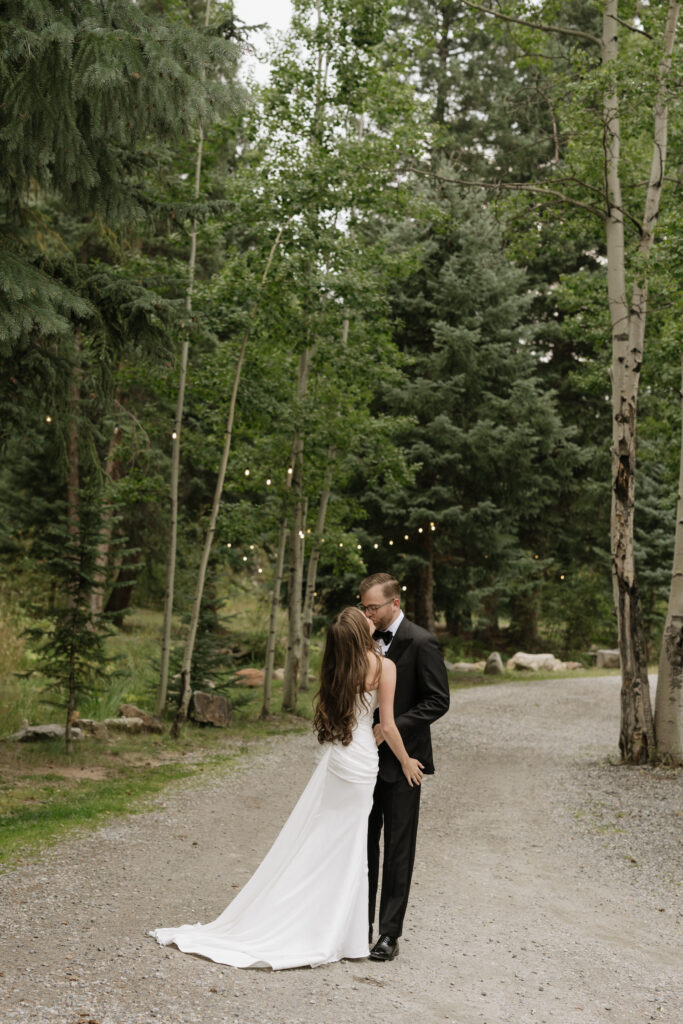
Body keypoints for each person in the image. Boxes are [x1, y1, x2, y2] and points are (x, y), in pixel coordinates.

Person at [149, 606, 423, 970]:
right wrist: (406, 761)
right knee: (350, 845)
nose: (372, 619)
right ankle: (340, 933)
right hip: (361, 764)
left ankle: (331, 925)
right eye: (366, 617)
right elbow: (386, 726)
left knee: (325, 839)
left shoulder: (339, 667)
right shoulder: (383, 666)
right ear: (361, 632)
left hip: (340, 758)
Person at [359, 572, 450, 962]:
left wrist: (391, 727)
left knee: (398, 850)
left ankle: (388, 935)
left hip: (404, 761)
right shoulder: (360, 637)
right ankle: (357, 924)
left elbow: (438, 700)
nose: (368, 613)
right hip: (360, 761)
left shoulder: (422, 642)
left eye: (373, 607)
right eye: (364, 606)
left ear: (395, 603)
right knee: (362, 846)